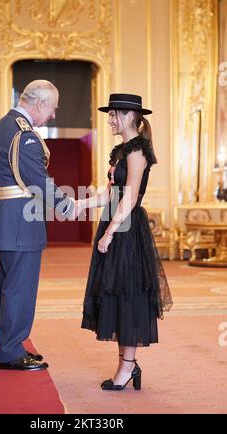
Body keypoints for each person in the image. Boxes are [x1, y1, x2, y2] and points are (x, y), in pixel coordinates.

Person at [0, 80, 77, 371]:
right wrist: (66, 206)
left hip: (1, 221)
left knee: (9, 289)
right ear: (40, 104)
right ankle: (11, 352)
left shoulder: (1, 127)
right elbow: (37, 180)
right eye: (53, 108)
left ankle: (12, 346)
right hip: (19, 224)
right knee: (19, 289)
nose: (54, 115)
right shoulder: (24, 134)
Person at [77, 94, 173, 391]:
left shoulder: (138, 151)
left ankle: (127, 368)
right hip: (116, 221)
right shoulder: (121, 151)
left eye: (113, 114)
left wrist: (110, 232)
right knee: (115, 294)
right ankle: (127, 365)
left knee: (128, 293)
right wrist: (81, 204)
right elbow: (110, 194)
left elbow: (130, 197)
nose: (109, 120)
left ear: (130, 116)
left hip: (126, 229)